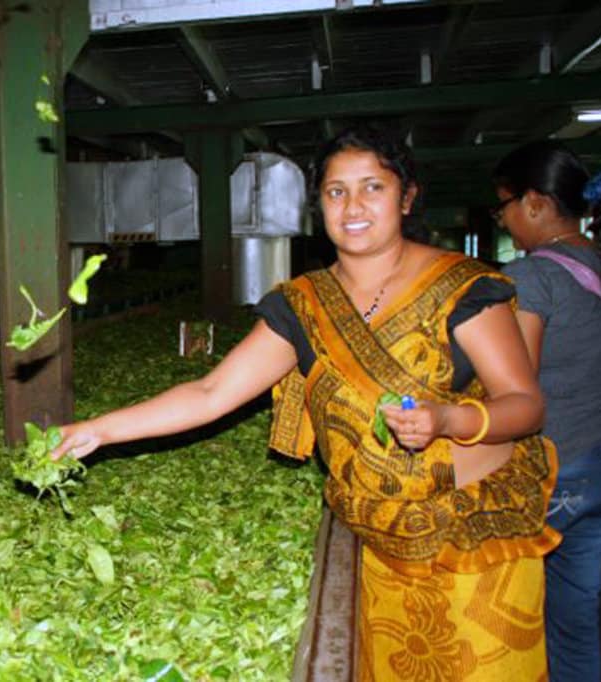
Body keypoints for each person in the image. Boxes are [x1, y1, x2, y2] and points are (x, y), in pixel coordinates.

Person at [53, 124, 560, 679]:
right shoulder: (304, 305)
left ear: (406, 195)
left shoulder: (463, 286)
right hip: (381, 540)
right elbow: (210, 392)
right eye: (336, 192)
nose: (354, 206)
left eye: (373, 187)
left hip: (473, 542)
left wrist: (447, 419)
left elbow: (525, 405)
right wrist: (99, 430)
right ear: (318, 206)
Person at [493, 141, 601, 682]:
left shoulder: (534, 277)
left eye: (505, 206)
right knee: (574, 618)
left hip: (557, 468)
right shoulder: (598, 263)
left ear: (535, 203)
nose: (506, 220)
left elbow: (516, 387)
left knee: (504, 610)